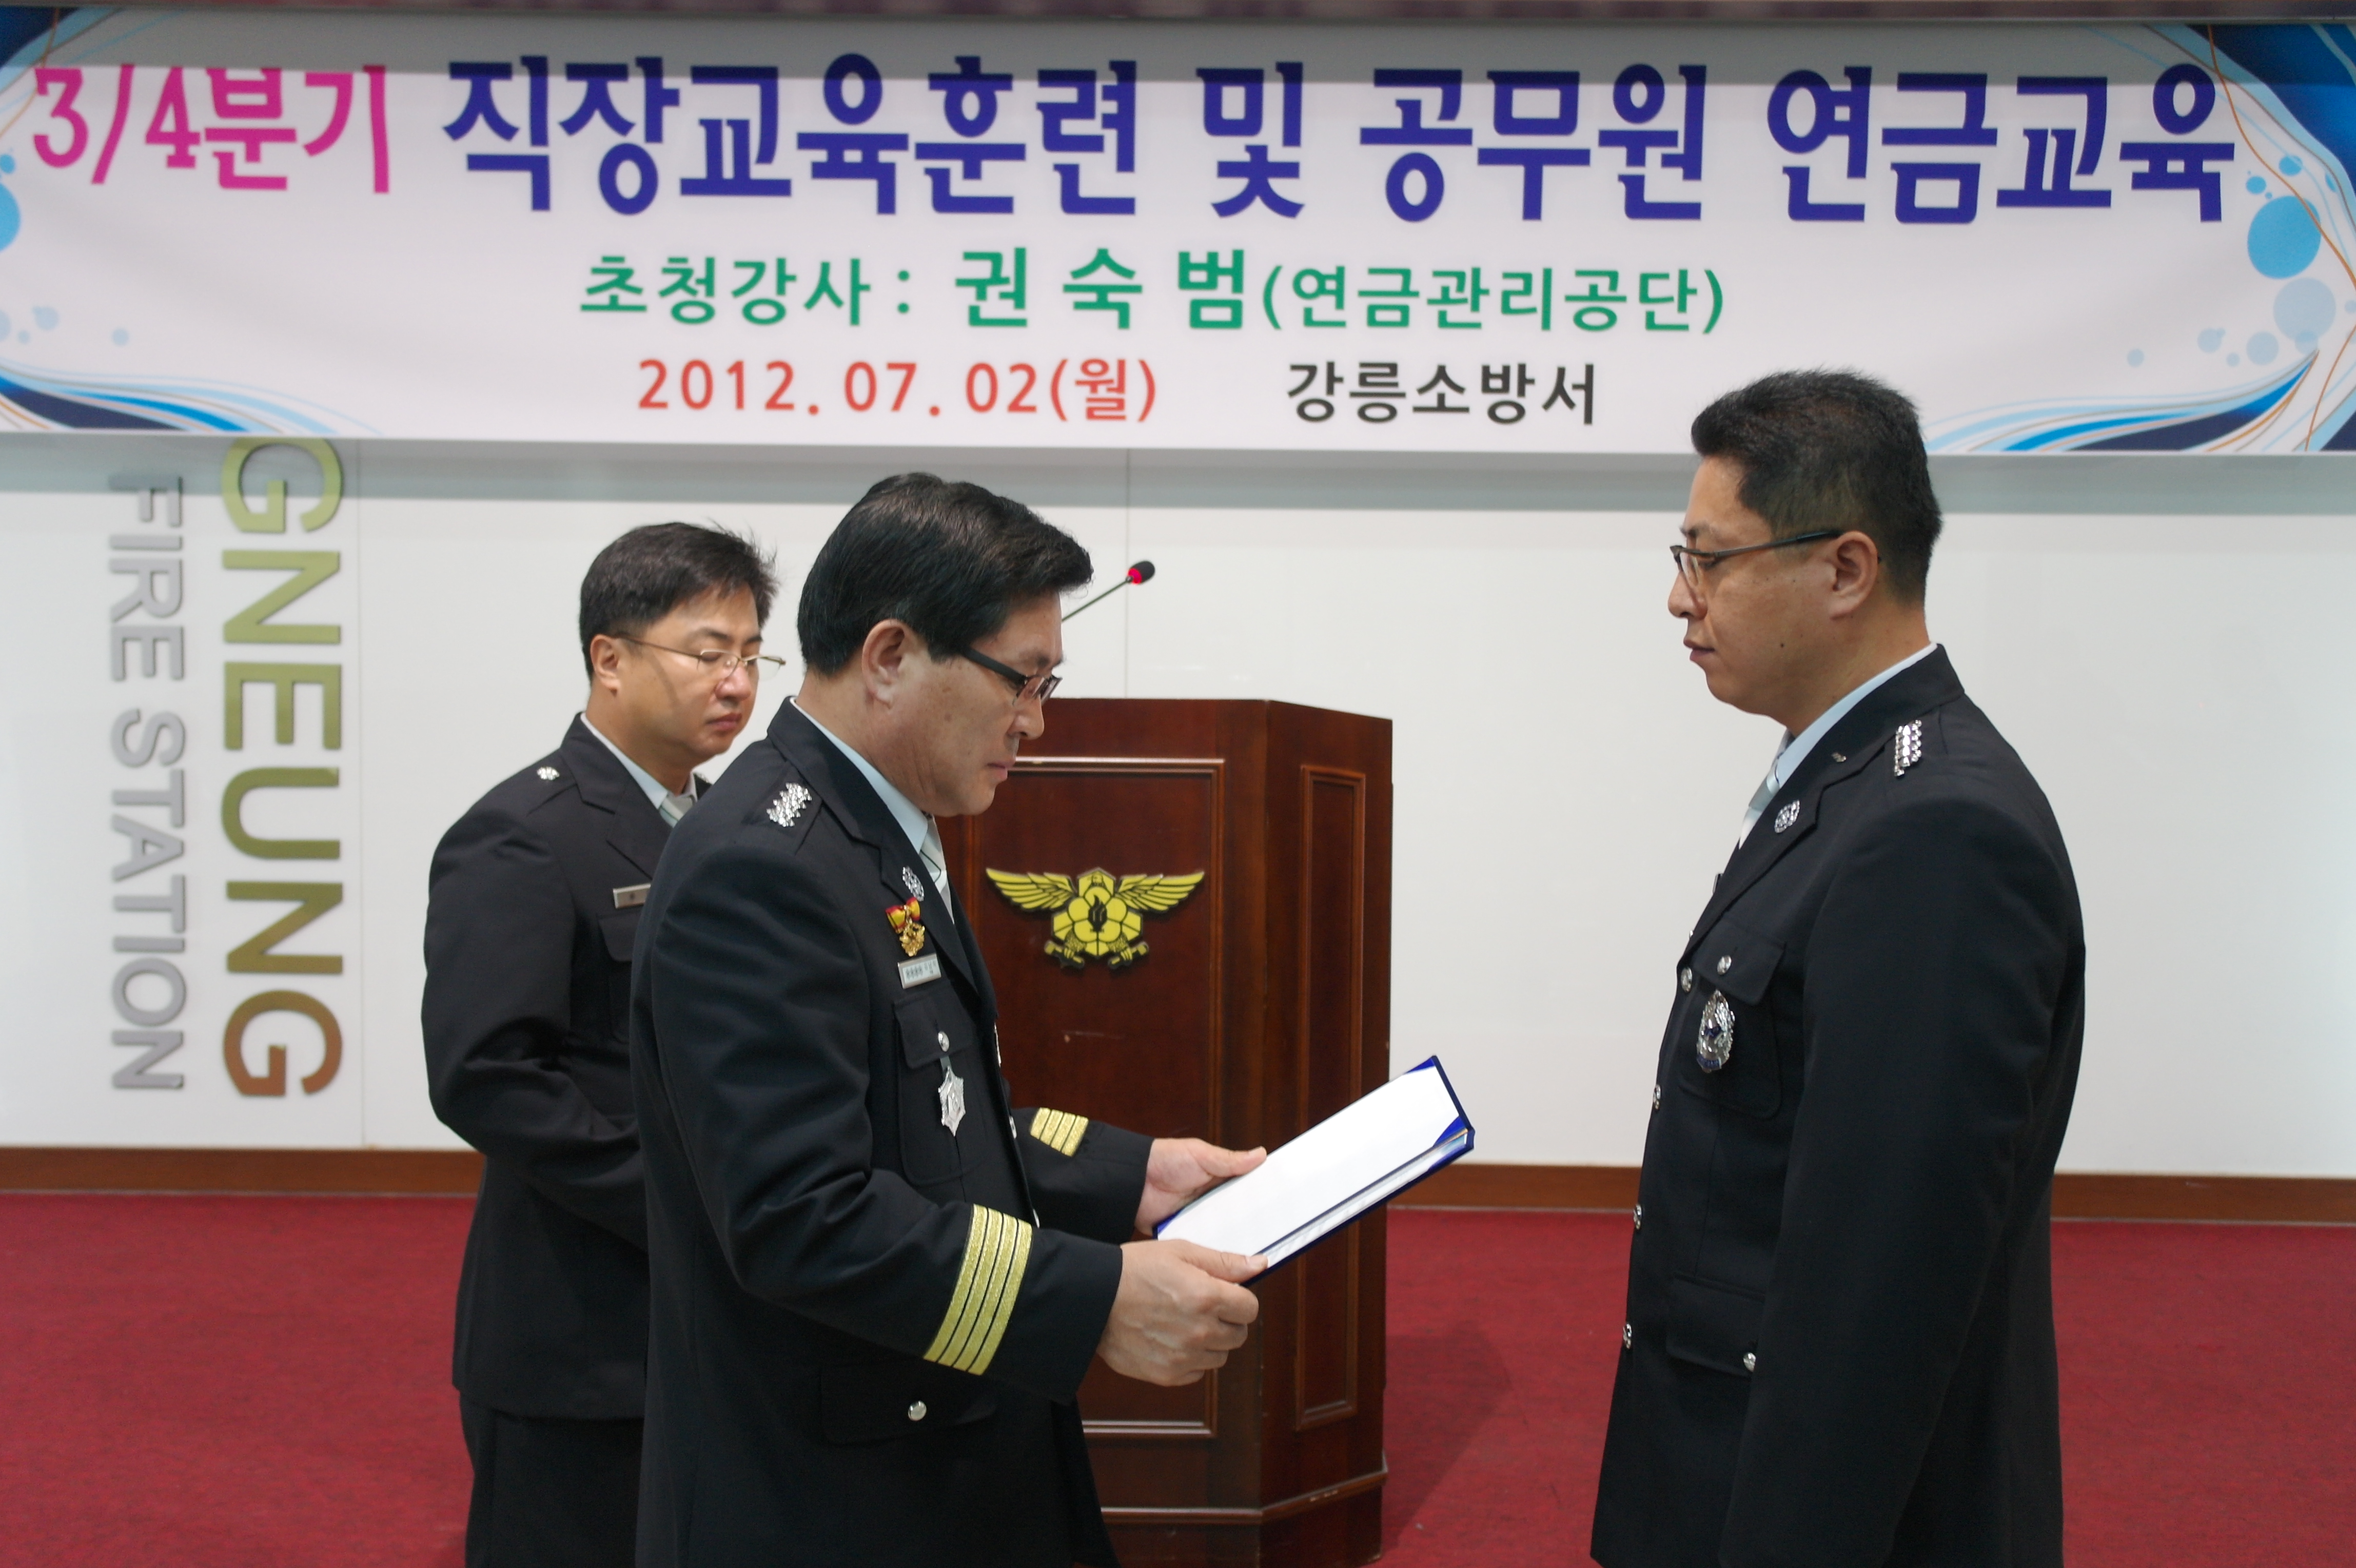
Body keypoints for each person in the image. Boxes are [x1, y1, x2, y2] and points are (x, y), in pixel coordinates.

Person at [630, 473, 1270, 1568]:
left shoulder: (873, 826)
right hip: (835, 1491)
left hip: (934, 1432)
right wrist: (1092, 1300)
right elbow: (801, 1215)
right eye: (1021, 680)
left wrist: (1130, 1176)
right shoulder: (763, 865)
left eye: (1049, 683)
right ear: (890, 655)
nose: (1036, 721)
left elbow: (935, 1116)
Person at [1591, 371, 2085, 1568]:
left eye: (1710, 558)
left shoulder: (1935, 828)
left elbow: (1880, 1280)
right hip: (1726, 1449)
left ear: (1845, 569)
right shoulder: (1849, 782)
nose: (1678, 596)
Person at [422, 522, 779, 1568]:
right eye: (707, 653)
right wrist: (683, 1205)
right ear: (609, 658)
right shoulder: (525, 833)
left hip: (722, 1314)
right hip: (581, 1328)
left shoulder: (734, 829)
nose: (736, 682)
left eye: (752, 654)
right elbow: (489, 1077)